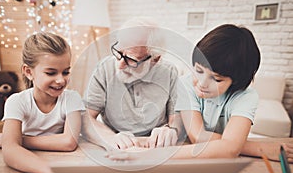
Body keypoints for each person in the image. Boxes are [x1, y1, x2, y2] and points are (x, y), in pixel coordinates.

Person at [107, 24, 293, 162]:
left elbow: (228, 151)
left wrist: (232, 146)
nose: (202, 84)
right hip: (193, 158)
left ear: (235, 81)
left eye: (217, 79)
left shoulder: (246, 97)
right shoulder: (186, 84)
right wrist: (256, 147)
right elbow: (198, 136)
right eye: (198, 70)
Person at [0, 32, 85, 173]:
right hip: (29, 167)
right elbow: (10, 151)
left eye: (66, 72)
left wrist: (18, 140)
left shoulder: (72, 98)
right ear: (29, 72)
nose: (61, 80)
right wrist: (54, 172)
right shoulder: (17, 102)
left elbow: (69, 142)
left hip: (67, 160)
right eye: (51, 73)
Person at [82, 17, 181, 150]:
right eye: (119, 52)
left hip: (155, 146)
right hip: (116, 143)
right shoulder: (104, 69)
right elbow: (86, 117)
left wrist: (171, 130)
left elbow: (176, 118)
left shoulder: (169, 72)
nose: (120, 65)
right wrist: (110, 138)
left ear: (155, 60)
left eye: (131, 59)